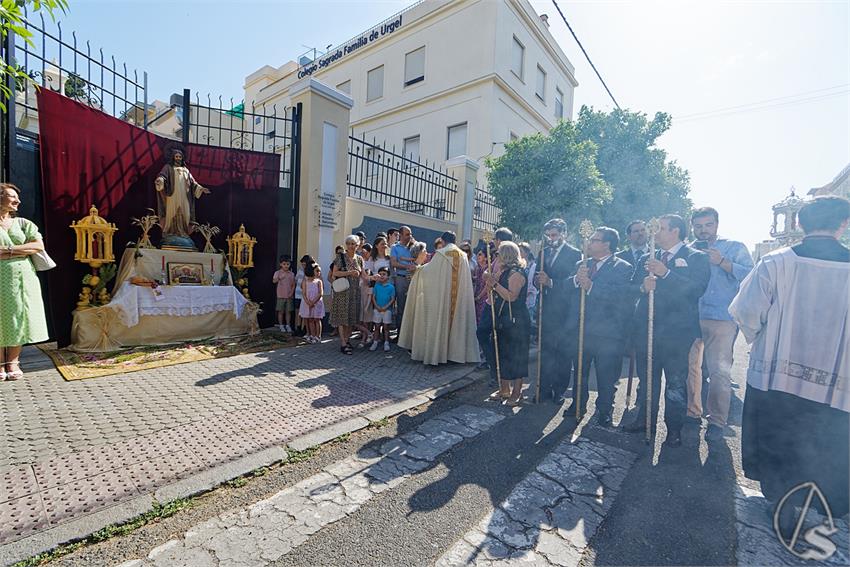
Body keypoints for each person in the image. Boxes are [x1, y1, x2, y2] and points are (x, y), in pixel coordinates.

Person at [730, 195, 849, 518]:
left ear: (797, 222)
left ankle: (783, 500)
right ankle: (818, 504)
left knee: (779, 438)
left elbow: (745, 310)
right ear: (843, 224)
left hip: (777, 373)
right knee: (826, 441)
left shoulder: (776, 262)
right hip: (837, 381)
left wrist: (762, 338)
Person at [624, 214, 711, 448]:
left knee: (675, 382)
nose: (655, 233)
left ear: (675, 231)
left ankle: (674, 430)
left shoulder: (696, 258)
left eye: (660, 228)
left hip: (676, 333)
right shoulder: (646, 256)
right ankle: (645, 421)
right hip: (646, 329)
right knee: (648, 379)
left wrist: (666, 274)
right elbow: (629, 287)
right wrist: (643, 287)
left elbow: (696, 289)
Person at [687, 207, 753, 440]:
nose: (703, 230)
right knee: (691, 369)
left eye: (708, 225)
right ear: (692, 226)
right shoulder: (688, 249)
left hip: (721, 317)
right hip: (689, 316)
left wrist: (724, 262)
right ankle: (692, 413)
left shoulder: (734, 247)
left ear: (717, 224)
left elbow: (752, 277)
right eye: (698, 226)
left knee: (719, 372)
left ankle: (717, 421)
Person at [568, 227, 635, 425]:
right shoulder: (582, 264)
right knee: (579, 370)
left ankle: (605, 409)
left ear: (607, 244)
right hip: (582, 329)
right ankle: (577, 404)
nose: (589, 242)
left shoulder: (622, 267)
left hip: (608, 332)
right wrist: (575, 280)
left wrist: (591, 286)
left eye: (594, 240)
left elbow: (620, 296)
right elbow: (570, 291)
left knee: (606, 375)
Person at [399, 231, 479, 365]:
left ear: (442, 240)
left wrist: (417, 269)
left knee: (440, 321)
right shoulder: (463, 256)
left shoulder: (442, 254)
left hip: (443, 298)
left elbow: (429, 272)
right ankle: (454, 354)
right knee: (456, 322)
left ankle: (439, 353)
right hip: (458, 299)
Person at [0, 183, 49, 380]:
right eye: (12, 196)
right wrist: (22, 249)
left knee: (19, 316)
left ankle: (13, 362)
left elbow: (38, 245)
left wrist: (8, 251)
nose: (18, 201)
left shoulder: (23, 223)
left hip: (23, 279)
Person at [534, 219, 581, 403]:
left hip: (566, 311)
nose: (551, 239)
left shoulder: (575, 253)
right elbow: (536, 278)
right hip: (547, 310)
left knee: (563, 353)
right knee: (546, 352)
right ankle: (543, 389)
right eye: (549, 235)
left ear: (564, 234)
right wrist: (537, 282)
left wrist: (550, 282)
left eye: (554, 235)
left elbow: (574, 282)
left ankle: (559, 391)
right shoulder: (543, 253)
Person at [485, 241, 531, 406]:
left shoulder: (516, 273)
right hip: (503, 317)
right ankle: (504, 389)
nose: (496, 256)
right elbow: (493, 293)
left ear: (506, 255)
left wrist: (494, 284)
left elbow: (512, 297)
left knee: (517, 356)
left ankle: (517, 392)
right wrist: (491, 283)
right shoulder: (502, 271)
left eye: (498, 254)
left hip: (517, 320)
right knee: (502, 353)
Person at [476, 227, 517, 386]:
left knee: (496, 340)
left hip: (500, 305)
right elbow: (488, 271)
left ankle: (497, 372)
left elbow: (497, 278)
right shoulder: (497, 256)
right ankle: (493, 365)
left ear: (500, 240)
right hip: (490, 303)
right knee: (482, 334)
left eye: (495, 239)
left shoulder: (508, 256)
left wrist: (489, 278)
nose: (493, 241)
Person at [154, 148, 210, 249]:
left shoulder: (186, 170)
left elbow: (193, 183)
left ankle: (183, 232)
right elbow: (162, 176)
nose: (178, 158)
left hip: (184, 196)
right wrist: (160, 180)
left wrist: (201, 188)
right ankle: (170, 232)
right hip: (172, 195)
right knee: (172, 212)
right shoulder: (168, 167)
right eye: (176, 157)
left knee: (185, 213)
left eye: (180, 157)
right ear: (173, 157)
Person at [331, 235, 363, 355]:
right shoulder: (341, 257)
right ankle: (343, 344)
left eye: (353, 243)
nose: (350, 246)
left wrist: (374, 277)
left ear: (357, 245)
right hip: (343, 292)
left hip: (355, 292)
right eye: (348, 243)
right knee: (342, 318)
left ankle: (347, 340)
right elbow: (335, 273)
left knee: (351, 318)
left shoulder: (359, 259)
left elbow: (363, 275)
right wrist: (350, 272)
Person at [390, 225, 416, 332]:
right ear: (400, 235)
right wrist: (407, 266)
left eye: (410, 234)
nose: (409, 236)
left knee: (412, 307)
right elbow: (394, 263)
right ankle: (400, 333)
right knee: (401, 307)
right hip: (401, 279)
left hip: (413, 279)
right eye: (407, 234)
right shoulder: (395, 248)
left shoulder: (413, 247)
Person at [370, 266, 396, 352]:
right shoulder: (377, 286)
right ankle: (375, 342)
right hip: (377, 309)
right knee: (376, 327)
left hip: (387, 310)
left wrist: (386, 307)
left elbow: (392, 299)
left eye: (384, 274)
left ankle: (386, 343)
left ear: (388, 276)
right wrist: (376, 306)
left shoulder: (391, 287)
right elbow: (373, 297)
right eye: (380, 274)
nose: (381, 276)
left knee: (386, 328)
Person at [299, 263, 325, 344]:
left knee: (317, 319)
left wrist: (313, 302)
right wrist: (308, 302)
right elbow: (303, 293)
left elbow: (320, 293)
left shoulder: (319, 281)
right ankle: (312, 335)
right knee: (310, 320)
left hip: (317, 303)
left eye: (319, 271)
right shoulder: (305, 281)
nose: (319, 273)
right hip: (308, 303)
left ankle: (318, 336)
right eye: (317, 271)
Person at [273, 255, 296, 333]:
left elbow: (293, 284)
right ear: (280, 264)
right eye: (284, 264)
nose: (286, 266)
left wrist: (291, 293)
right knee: (280, 311)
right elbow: (274, 281)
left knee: (288, 311)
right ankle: (281, 325)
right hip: (280, 295)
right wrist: (279, 278)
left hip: (289, 296)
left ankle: (288, 325)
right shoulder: (278, 272)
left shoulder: (291, 274)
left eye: (287, 264)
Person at [293, 254, 313, 336]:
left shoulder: (311, 272)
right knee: (298, 312)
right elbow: (296, 280)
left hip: (305, 295)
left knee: (304, 313)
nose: (303, 266)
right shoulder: (300, 270)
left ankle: (304, 328)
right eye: (302, 264)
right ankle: (297, 328)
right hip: (298, 294)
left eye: (305, 264)